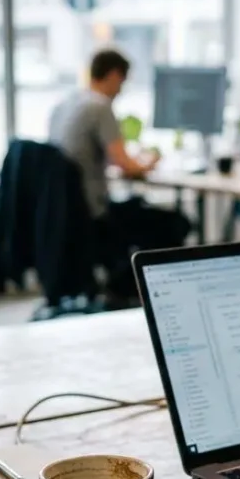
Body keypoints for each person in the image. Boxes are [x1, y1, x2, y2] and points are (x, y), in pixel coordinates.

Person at [47, 49, 189, 301]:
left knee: (143, 212)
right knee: (175, 223)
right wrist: (150, 160)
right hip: (94, 213)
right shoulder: (99, 106)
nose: (121, 90)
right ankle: (137, 291)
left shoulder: (68, 102)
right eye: (123, 82)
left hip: (66, 212)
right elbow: (126, 166)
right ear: (113, 76)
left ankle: (123, 285)